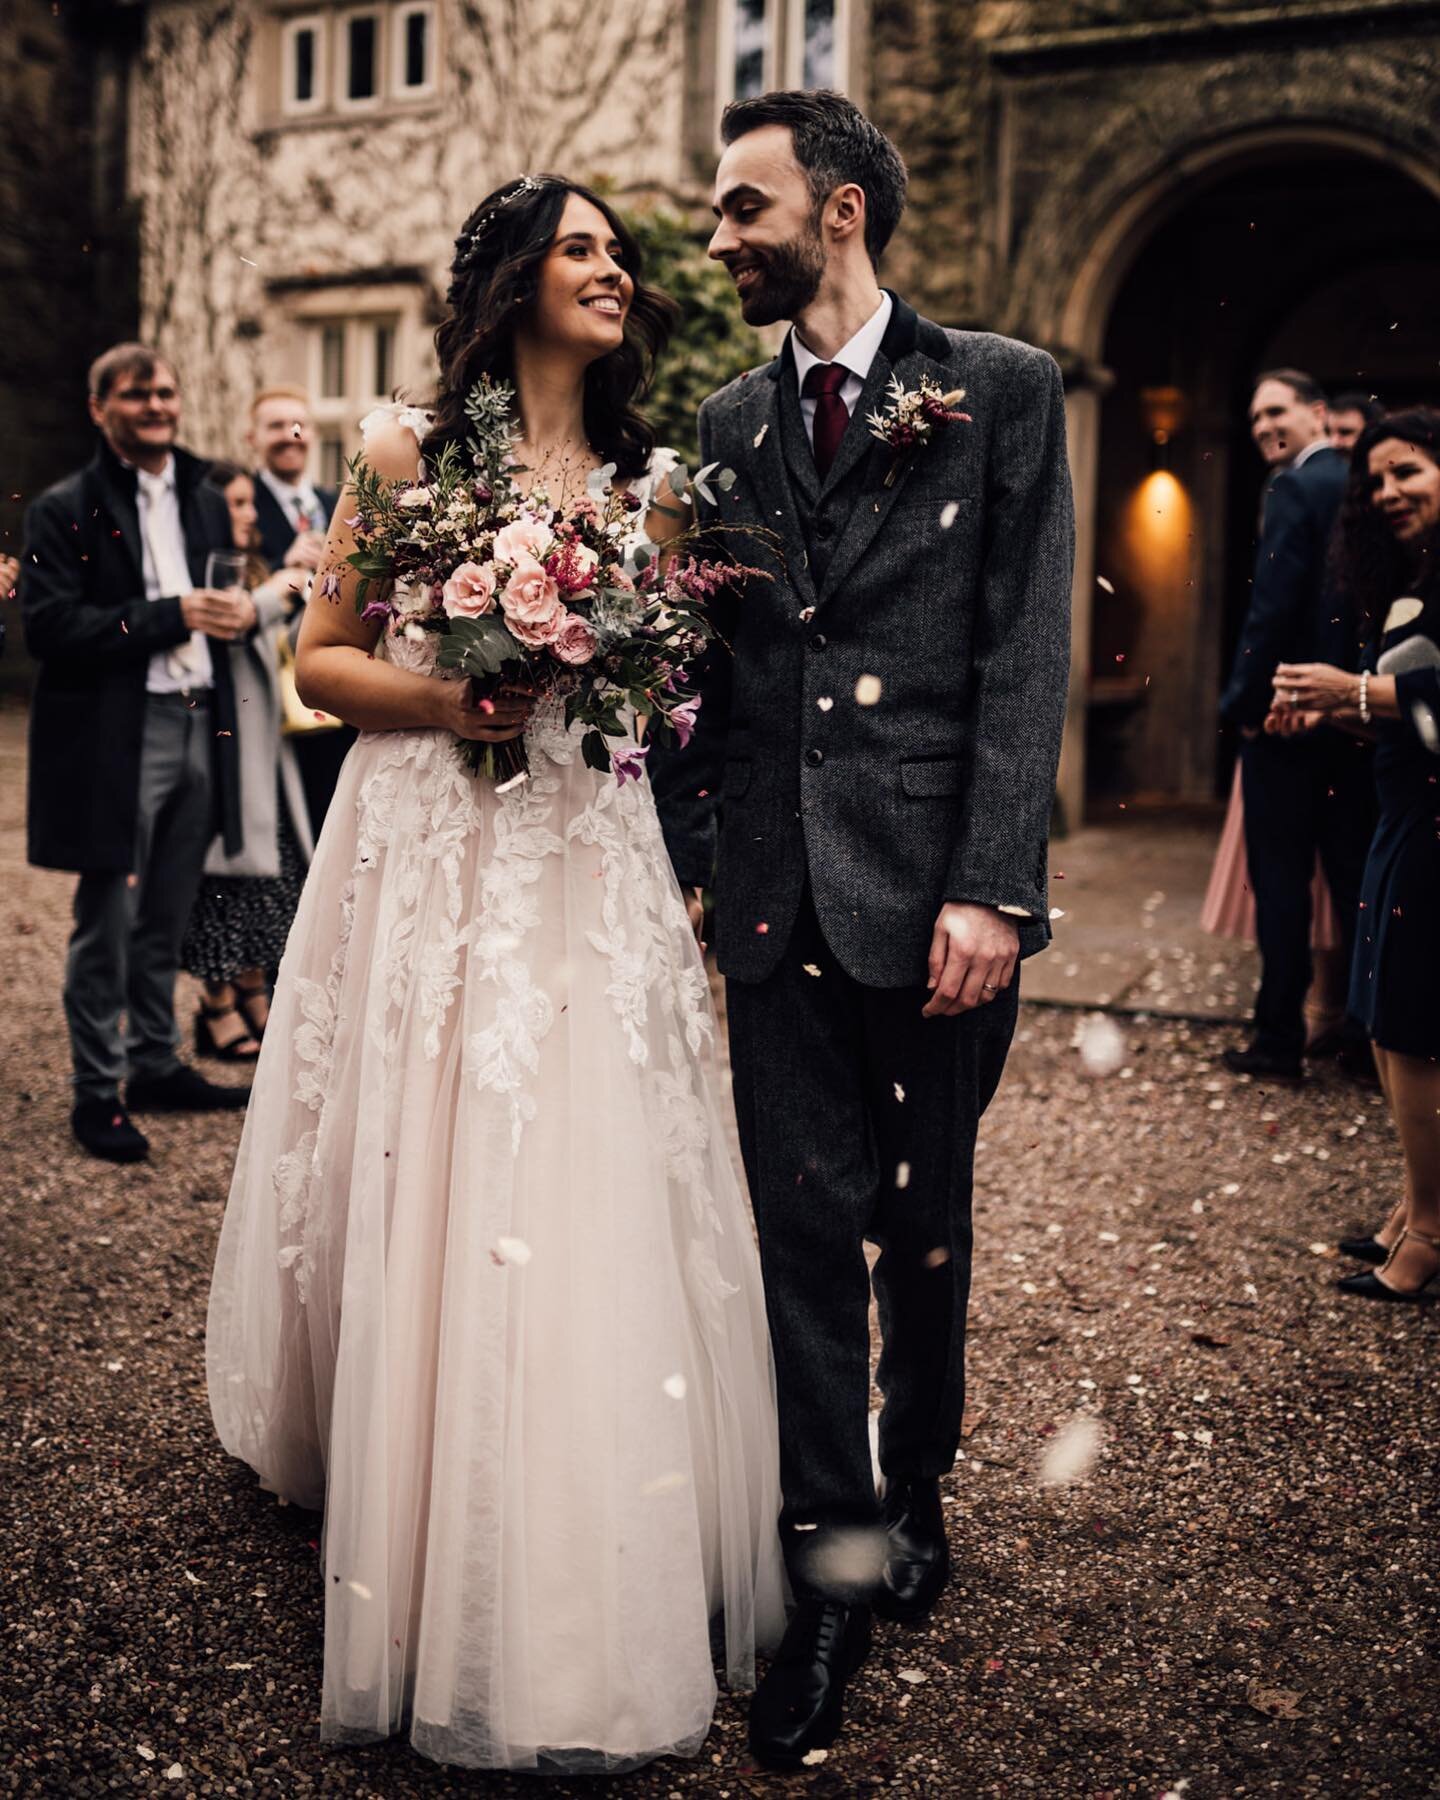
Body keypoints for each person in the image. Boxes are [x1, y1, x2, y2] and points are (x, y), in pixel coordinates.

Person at [205, 177, 785, 1772]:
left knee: (589, 1154)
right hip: (431, 848)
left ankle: (580, 1507)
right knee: (429, 1138)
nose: (612, 273)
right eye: (583, 249)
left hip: (587, 862)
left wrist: (608, 687)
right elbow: (318, 664)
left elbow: (658, 707)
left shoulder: (647, 489)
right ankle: (407, 1455)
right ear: (515, 277)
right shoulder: (406, 455)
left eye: (617, 254)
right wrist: (447, 694)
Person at [650, 90, 1074, 1767]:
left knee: (928, 1228)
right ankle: (829, 1561)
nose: (715, 237)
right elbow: (694, 679)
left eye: (737, 208)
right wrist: (695, 855)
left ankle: (921, 1490)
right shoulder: (724, 417)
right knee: (803, 1233)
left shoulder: (1002, 389)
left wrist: (994, 883)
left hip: (936, 899)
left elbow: (1025, 642)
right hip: (769, 901)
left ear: (835, 211)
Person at [19, 343, 252, 1162]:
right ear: (99, 409)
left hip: (197, 717)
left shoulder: (205, 496)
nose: (156, 405)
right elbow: (50, 628)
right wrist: (171, 613)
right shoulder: (63, 507)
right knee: (107, 920)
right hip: (117, 730)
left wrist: (234, 615)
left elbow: (220, 601)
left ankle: (155, 1063)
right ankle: (95, 1091)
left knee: (167, 910)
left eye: (164, 392)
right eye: (135, 394)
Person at [1265, 410, 1440, 1301]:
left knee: (1416, 1027)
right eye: (1376, 481)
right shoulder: (1416, 578)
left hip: (1436, 833)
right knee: (1382, 1012)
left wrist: (1360, 688)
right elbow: (1412, 715)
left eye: (1406, 471)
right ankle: (1413, 1208)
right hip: (1401, 817)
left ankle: (1432, 1239)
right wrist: (1331, 709)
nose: (1387, 493)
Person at [1218, 369, 1374, 1082]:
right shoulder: (1364, 482)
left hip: (1286, 720)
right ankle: (1367, 1040)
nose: (1262, 427)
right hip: (1352, 718)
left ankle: (1279, 1038)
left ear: (1317, 412)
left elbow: (1273, 607)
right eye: (1254, 418)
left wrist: (1244, 706)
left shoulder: (1293, 486)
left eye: (1276, 411)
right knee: (1354, 883)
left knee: (1280, 885)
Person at [181, 463, 315, 1060]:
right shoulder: (208, 572)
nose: (249, 513)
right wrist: (289, 581)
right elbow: (235, 621)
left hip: (269, 745)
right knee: (223, 882)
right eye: (236, 504)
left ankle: (254, 992)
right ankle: (215, 1006)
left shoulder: (262, 570)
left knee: (272, 881)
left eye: (247, 504)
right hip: (222, 745)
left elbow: (280, 646)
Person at [247, 386, 352, 837]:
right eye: (275, 426)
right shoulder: (239, 505)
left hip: (339, 693)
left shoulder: (336, 505)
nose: (290, 436)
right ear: (251, 437)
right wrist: (282, 566)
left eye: (299, 426)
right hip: (268, 694)